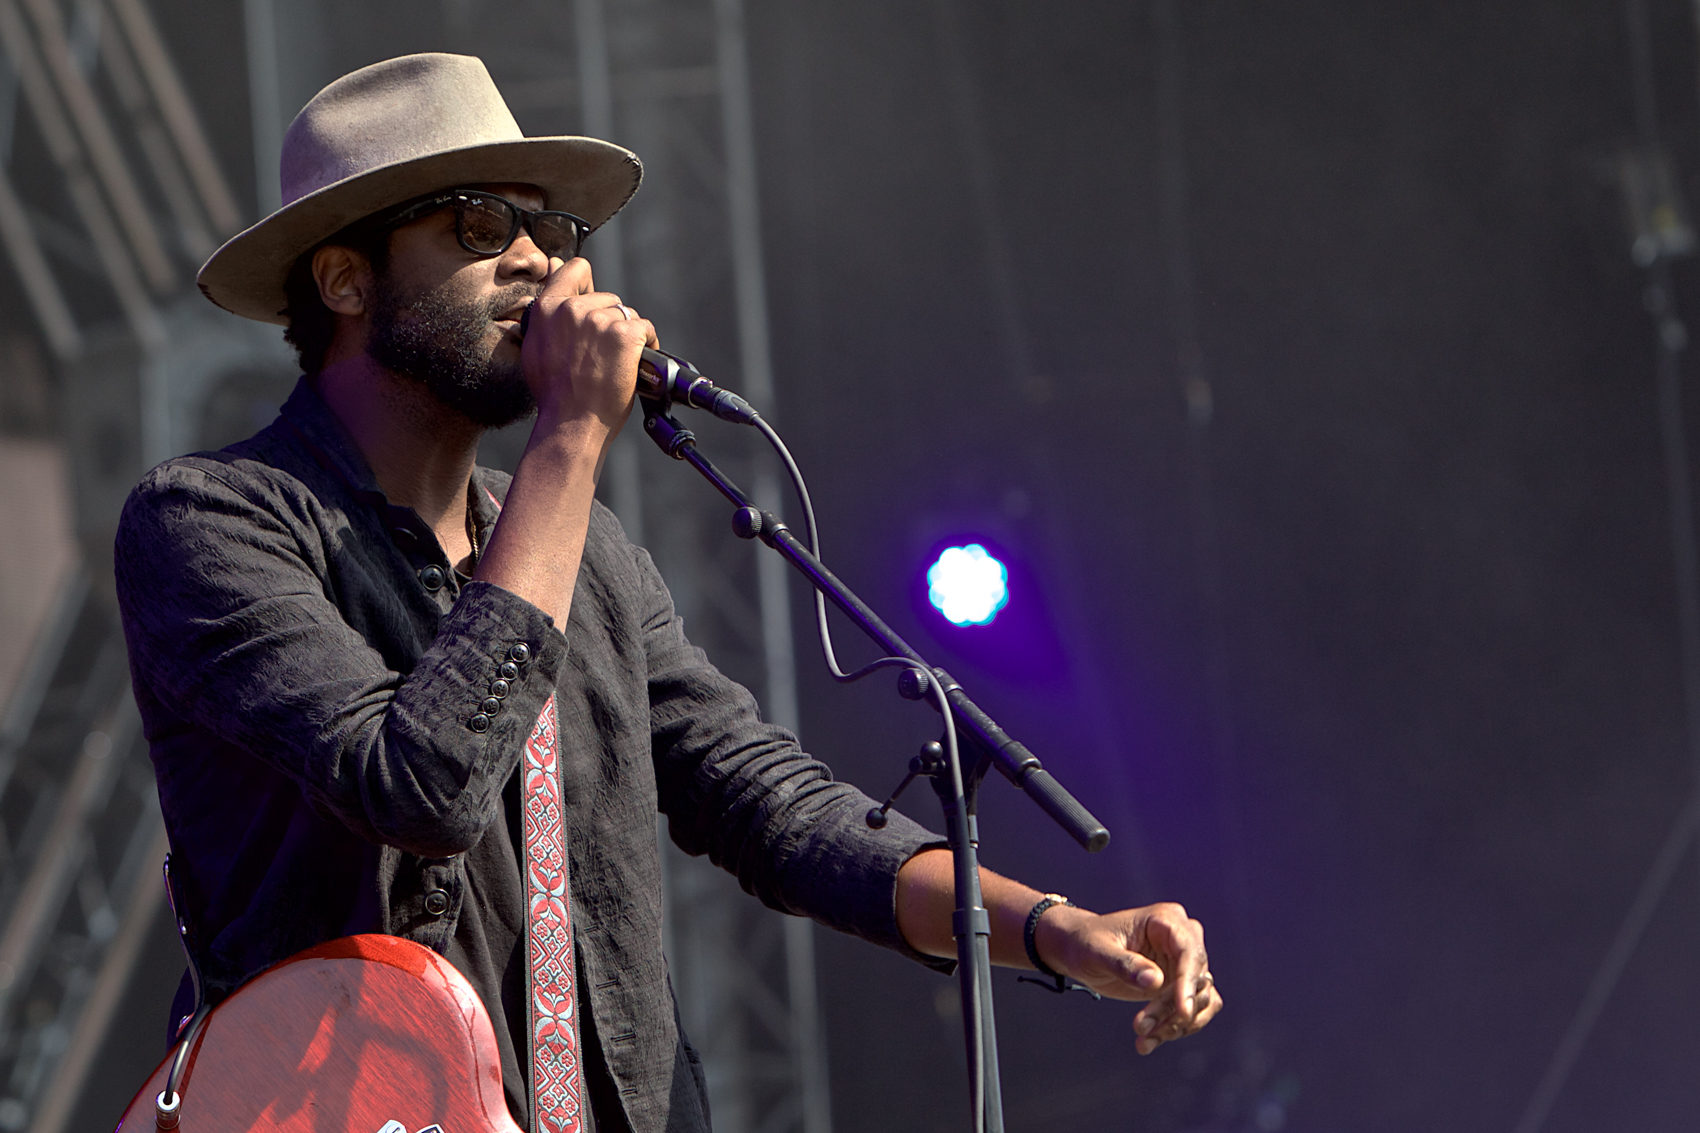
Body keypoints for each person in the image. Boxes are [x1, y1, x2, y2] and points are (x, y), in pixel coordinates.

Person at [114, 53, 1221, 1132]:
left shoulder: (579, 548)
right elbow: (421, 788)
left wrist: (1058, 930)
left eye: (553, 229)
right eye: (480, 224)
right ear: (346, 277)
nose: (541, 262)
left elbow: (767, 804)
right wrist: (570, 437)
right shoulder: (212, 521)